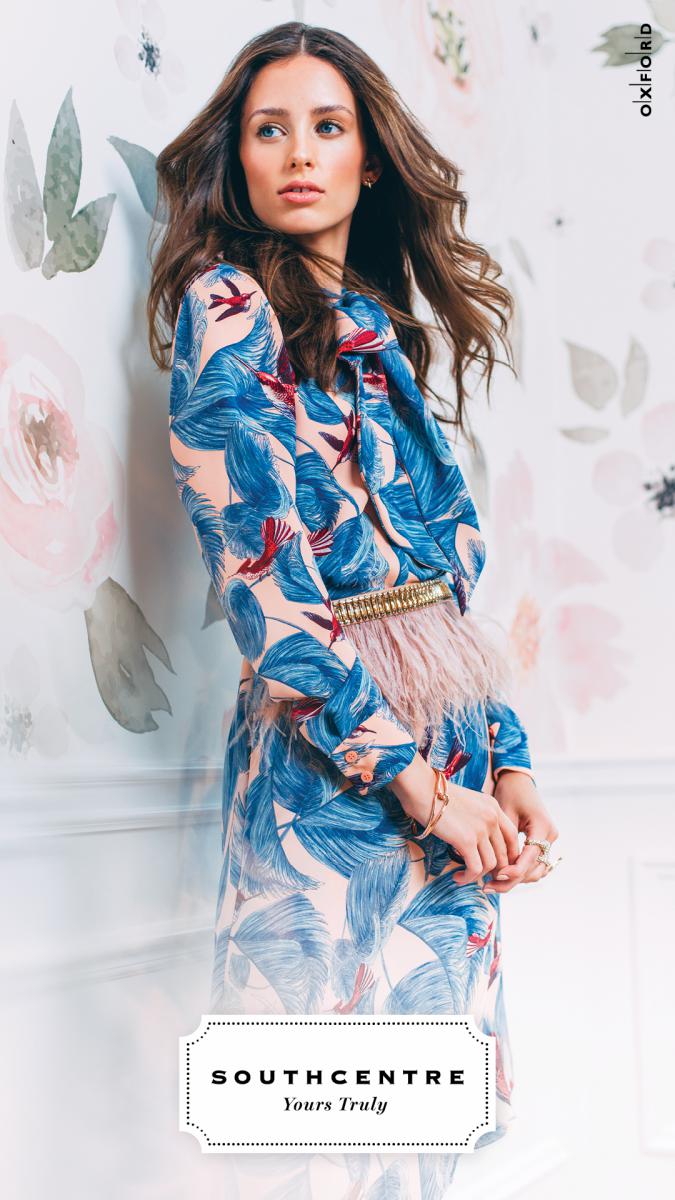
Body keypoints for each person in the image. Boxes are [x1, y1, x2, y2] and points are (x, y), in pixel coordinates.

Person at [148, 19, 561, 1199]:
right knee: (318, 1144)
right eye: (268, 129)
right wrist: (423, 790)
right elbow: (267, 593)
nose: (298, 153)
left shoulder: (384, 339)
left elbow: (447, 589)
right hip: (329, 768)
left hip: (454, 760)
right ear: (236, 157)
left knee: (423, 1137)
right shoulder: (227, 312)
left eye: (327, 127)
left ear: (369, 158)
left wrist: (509, 767)